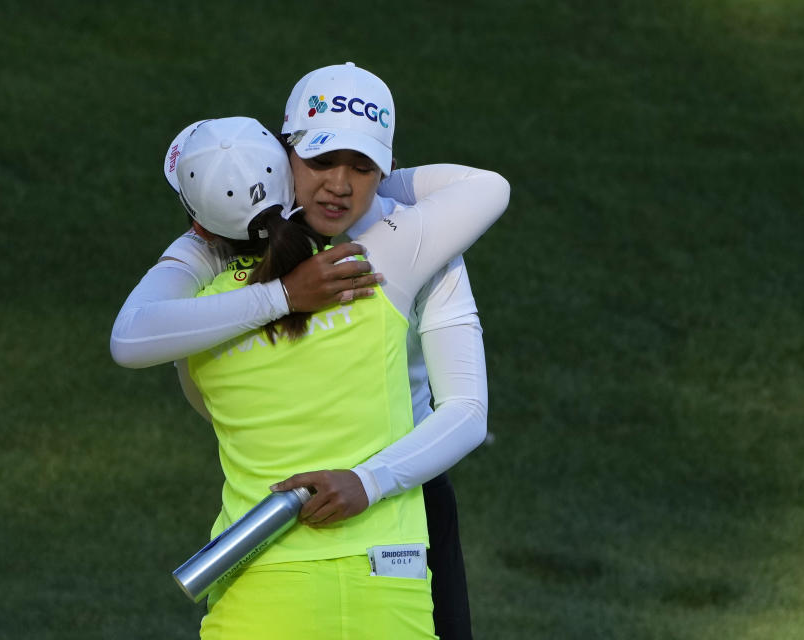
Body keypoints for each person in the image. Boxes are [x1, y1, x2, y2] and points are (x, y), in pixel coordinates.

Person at [111, 63, 510, 639]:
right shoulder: (221, 248)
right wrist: (286, 296)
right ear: (282, 154)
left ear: (387, 167)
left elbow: (466, 412)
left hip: (409, 486)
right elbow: (136, 340)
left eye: (363, 166)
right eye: (321, 162)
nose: (341, 185)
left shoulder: (422, 238)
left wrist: (371, 477)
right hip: (299, 502)